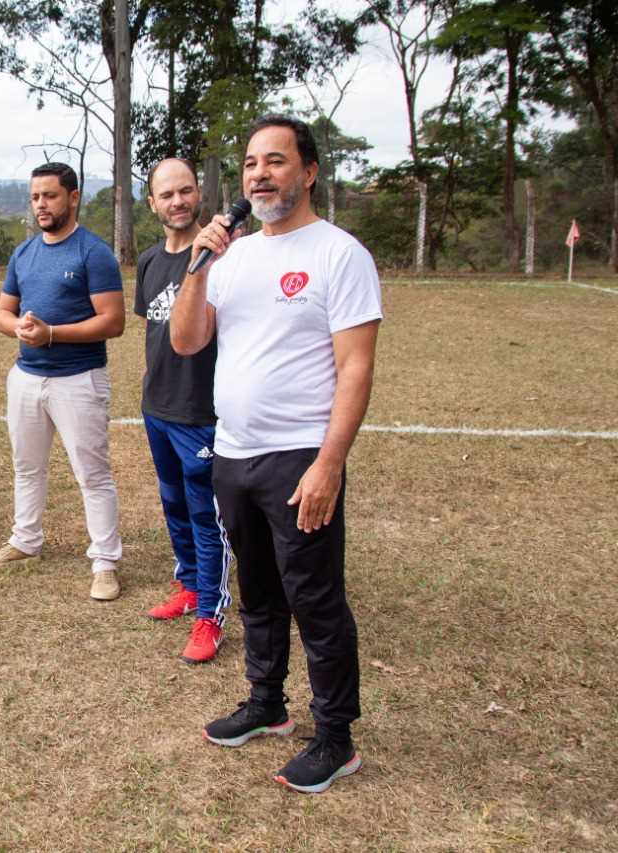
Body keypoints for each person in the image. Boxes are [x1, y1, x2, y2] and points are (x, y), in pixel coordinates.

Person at [170, 115, 382, 793]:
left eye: (277, 161)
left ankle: (336, 737)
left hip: (300, 457)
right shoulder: (231, 255)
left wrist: (329, 462)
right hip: (234, 453)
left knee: (315, 598)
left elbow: (356, 369)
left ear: (310, 171)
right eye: (251, 164)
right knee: (258, 592)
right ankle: (267, 703)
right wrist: (198, 268)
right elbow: (185, 340)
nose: (260, 174)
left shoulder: (338, 253)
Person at [0, 162, 125, 602]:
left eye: (50, 196)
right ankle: (26, 541)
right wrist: (18, 328)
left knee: (91, 474)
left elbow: (113, 322)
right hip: (26, 377)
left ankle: (105, 561)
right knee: (27, 466)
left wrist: (54, 334)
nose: (41, 204)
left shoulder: (92, 253)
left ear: (72, 197)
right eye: (36, 196)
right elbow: (2, 313)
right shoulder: (24, 253)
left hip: (79, 379)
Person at [136, 158, 231, 662]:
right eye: (166, 194)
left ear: (199, 195)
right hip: (157, 408)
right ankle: (190, 585)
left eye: (186, 191)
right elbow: (151, 332)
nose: (177, 201)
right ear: (152, 203)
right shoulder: (151, 262)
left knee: (204, 513)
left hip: (202, 411)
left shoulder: (219, 258)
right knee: (173, 504)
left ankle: (210, 615)